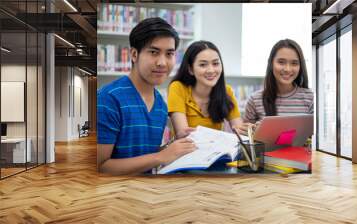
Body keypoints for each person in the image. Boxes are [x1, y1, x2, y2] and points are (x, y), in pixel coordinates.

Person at [97, 17, 196, 175]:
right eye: (153, 52)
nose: (162, 63)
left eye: (169, 54)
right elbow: (100, 167)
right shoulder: (108, 98)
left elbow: (145, 155)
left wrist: (173, 146)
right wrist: (161, 156)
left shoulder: (161, 105)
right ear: (134, 54)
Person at [168, 40, 250, 138]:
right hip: (187, 150)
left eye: (215, 64)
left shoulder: (226, 91)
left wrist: (247, 130)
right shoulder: (178, 87)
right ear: (190, 69)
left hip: (216, 151)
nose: (211, 70)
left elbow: (239, 129)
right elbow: (183, 133)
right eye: (203, 65)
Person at [243, 39, 314, 124]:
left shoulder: (310, 98)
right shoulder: (255, 100)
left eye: (294, 63)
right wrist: (254, 131)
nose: (287, 69)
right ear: (271, 63)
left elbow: (314, 135)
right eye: (281, 62)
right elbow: (246, 135)